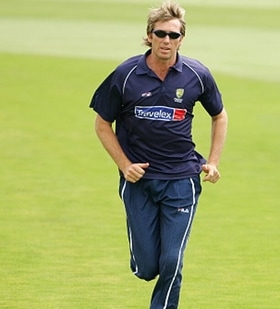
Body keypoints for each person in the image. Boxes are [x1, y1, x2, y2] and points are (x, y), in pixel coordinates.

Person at [89, 1, 228, 308]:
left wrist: (213, 162)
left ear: (182, 38)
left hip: (182, 179)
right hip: (139, 181)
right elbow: (102, 123)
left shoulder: (197, 74)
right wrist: (124, 166)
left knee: (172, 262)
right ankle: (142, 262)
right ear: (149, 36)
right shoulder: (126, 75)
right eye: (160, 33)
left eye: (174, 35)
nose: (167, 40)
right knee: (148, 267)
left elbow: (220, 115)